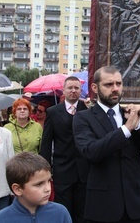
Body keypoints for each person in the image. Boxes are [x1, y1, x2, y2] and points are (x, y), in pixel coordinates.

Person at [73, 66, 140, 222]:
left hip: (136, 206)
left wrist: (139, 126)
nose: (115, 89)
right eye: (108, 85)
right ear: (95, 87)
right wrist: (126, 129)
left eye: (118, 84)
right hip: (103, 207)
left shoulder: (132, 115)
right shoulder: (83, 118)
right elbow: (91, 152)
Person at [39, 76, 89, 222]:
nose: (73, 91)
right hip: (63, 171)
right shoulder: (53, 112)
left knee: (82, 212)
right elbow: (46, 144)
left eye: (76, 88)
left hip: (84, 171)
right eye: (70, 88)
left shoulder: (87, 110)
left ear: (81, 91)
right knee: (63, 211)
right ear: (63, 91)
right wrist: (45, 171)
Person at [0, 151, 72, 223]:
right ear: (17, 189)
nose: (48, 189)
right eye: (39, 184)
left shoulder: (60, 213)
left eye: (49, 181)